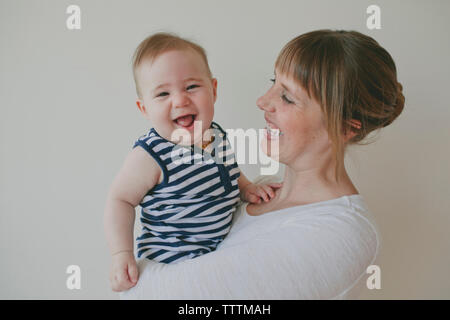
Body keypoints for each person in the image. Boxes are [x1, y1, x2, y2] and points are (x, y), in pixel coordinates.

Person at [120, 29, 405, 299]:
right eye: (274, 83)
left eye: (288, 98)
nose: (262, 101)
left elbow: (145, 294)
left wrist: (127, 270)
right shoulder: (258, 189)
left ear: (345, 127)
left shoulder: (341, 233)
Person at [103, 33, 281, 292]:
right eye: (163, 93)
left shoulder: (215, 134)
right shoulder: (151, 155)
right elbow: (119, 199)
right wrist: (121, 253)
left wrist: (245, 187)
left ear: (214, 90)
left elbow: (226, 170)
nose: (180, 100)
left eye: (191, 87)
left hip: (216, 255)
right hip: (172, 265)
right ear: (144, 109)